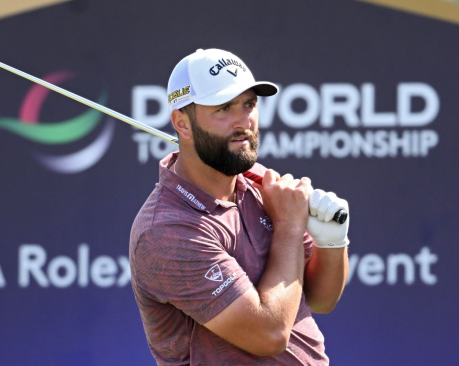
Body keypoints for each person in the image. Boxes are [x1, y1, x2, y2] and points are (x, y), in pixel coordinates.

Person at [130, 48, 350, 365]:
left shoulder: (261, 191)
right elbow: (269, 334)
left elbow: (321, 298)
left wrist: (331, 240)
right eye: (223, 108)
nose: (243, 121)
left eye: (249, 104)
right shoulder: (166, 229)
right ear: (182, 123)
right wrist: (289, 226)